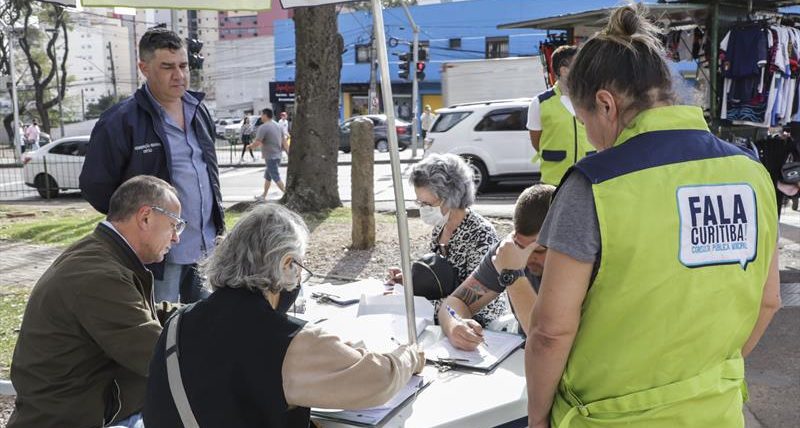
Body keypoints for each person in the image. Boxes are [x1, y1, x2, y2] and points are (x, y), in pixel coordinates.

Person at [525, 5, 781, 428]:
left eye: (585, 120)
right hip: (715, 408)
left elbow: (551, 331)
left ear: (606, 105)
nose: (590, 138)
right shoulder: (752, 174)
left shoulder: (595, 184)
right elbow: (768, 301)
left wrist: (537, 418)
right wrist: (704, 377)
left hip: (607, 416)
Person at [143, 204, 424, 427]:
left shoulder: (179, 321)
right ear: (286, 263)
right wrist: (409, 356)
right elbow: (378, 380)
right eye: (300, 265)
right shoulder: (288, 340)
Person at [9, 176, 183, 428]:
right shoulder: (99, 274)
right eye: (174, 225)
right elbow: (157, 356)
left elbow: (140, 314)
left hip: (90, 410)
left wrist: (205, 315)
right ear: (145, 217)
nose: (176, 238)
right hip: (71, 420)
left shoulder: (103, 254)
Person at [80, 27, 224, 305]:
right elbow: (95, 186)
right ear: (144, 68)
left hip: (205, 246)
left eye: (183, 65)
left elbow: (209, 173)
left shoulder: (199, 109)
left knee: (207, 327)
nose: (179, 75)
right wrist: (138, 225)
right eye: (167, 67)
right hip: (157, 254)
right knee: (160, 332)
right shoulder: (121, 120)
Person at [389, 153, 509, 326]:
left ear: (452, 197)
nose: (423, 210)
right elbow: (437, 279)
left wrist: (415, 303)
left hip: (477, 326)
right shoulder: (440, 227)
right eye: (420, 203)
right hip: (445, 320)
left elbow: (479, 301)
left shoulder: (481, 233)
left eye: (428, 204)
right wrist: (409, 281)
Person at [440, 184, 554, 350]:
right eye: (520, 246)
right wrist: (456, 325)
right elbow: (455, 302)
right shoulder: (507, 252)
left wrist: (512, 274)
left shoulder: (577, 264)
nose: (525, 258)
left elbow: (545, 341)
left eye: (538, 250)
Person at [527, 45, 595, 186]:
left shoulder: (592, 99)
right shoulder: (539, 103)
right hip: (553, 182)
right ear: (564, 71)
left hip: (588, 179)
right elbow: (537, 143)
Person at [247, 108, 289, 201]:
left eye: (261, 115)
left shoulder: (264, 127)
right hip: (278, 156)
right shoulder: (278, 126)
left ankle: (287, 195)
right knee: (268, 176)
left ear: (265, 115)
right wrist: (289, 153)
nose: (261, 117)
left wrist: (250, 146)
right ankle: (263, 196)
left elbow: (257, 142)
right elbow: (284, 142)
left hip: (270, 157)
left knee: (275, 176)